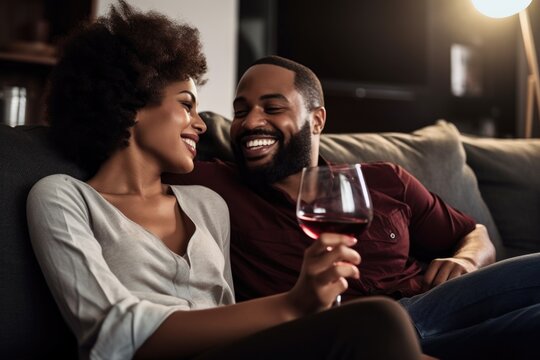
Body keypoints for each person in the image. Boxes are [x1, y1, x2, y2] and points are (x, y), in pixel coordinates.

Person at [25, 3, 426, 360]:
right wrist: (294, 304)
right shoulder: (62, 197)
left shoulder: (207, 203)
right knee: (378, 319)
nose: (202, 124)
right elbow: (112, 332)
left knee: (378, 323)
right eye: (186, 104)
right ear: (128, 104)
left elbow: (230, 311)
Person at [166, 55, 540, 359]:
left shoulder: (384, 179)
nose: (250, 122)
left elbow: (474, 233)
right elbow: (128, 159)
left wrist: (467, 260)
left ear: (316, 120)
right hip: (357, 336)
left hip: (438, 305)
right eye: (241, 110)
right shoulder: (212, 184)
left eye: (272, 107)